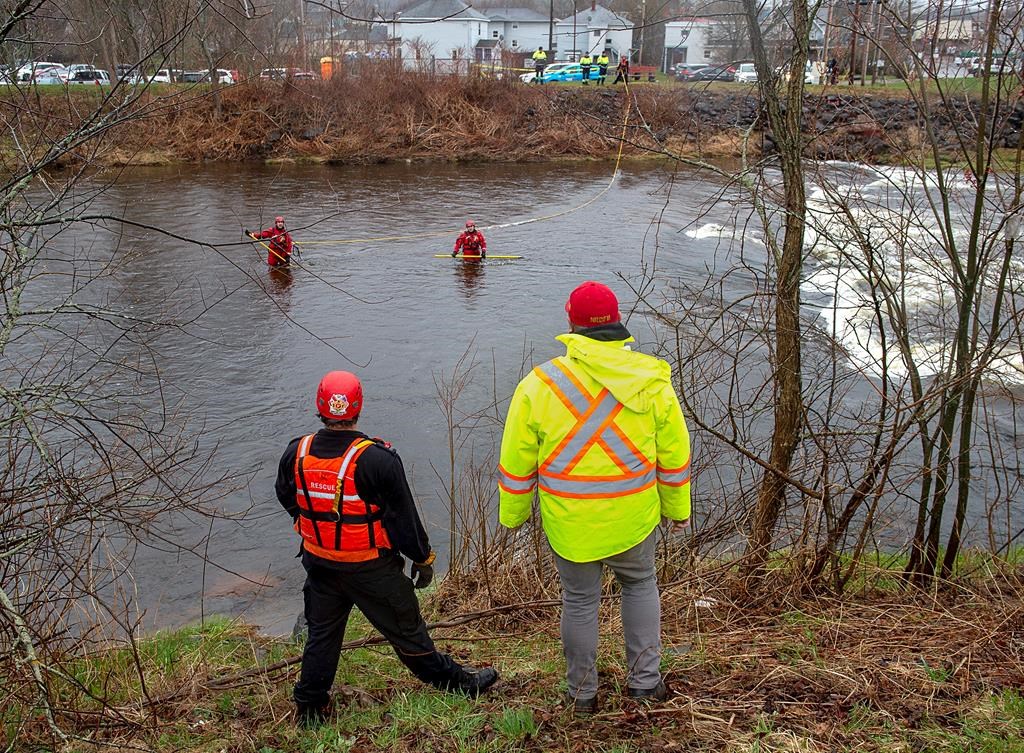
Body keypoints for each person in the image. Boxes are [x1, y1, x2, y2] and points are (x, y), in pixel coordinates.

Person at [497, 281, 691, 714]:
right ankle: (644, 684)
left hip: (571, 523)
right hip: (634, 516)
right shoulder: (651, 378)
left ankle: (582, 694)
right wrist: (678, 509)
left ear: (571, 324)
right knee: (640, 586)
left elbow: (516, 459)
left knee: (580, 601)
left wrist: (512, 515)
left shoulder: (539, 383)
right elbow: (675, 454)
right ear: (618, 322)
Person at [276, 371, 499, 726]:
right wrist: (423, 561)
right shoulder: (378, 460)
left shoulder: (295, 453)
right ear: (358, 407)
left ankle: (310, 708)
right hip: (371, 569)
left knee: (321, 636)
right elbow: (404, 520)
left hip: (319, 564)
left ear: (320, 407)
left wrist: (314, 531)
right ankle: (460, 684)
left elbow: (288, 498)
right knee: (408, 632)